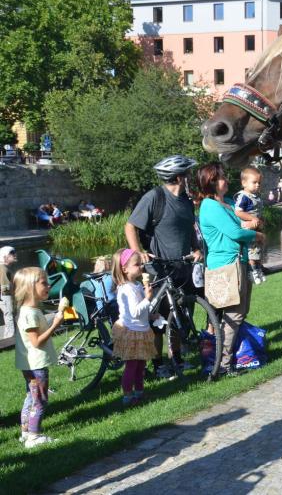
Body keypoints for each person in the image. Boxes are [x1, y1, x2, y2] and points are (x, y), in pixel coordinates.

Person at [125, 154, 202, 380]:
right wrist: (138, 252)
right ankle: (158, 364)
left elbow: (190, 230)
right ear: (179, 177)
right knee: (159, 319)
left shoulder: (186, 200)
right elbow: (130, 226)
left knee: (180, 315)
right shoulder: (155, 197)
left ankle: (176, 357)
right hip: (159, 267)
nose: (189, 177)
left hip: (183, 265)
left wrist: (196, 248)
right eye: (187, 174)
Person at [197, 162, 264, 377]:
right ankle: (222, 364)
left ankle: (227, 359)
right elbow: (234, 233)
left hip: (239, 262)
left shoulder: (226, 202)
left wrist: (249, 226)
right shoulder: (210, 206)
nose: (226, 179)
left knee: (240, 312)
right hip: (226, 266)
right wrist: (256, 235)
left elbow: (239, 226)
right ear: (212, 182)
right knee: (233, 314)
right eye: (222, 177)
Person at [13, 267, 68, 448]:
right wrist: (55, 324)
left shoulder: (30, 309)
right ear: (30, 287)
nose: (48, 285)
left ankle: (25, 432)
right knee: (40, 400)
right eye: (44, 282)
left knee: (31, 396)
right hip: (36, 365)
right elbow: (36, 342)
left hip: (29, 364)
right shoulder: (30, 314)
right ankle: (34, 436)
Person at [111, 249, 160, 406]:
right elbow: (134, 312)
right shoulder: (126, 289)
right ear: (125, 269)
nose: (141, 267)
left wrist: (151, 315)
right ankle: (127, 395)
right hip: (132, 331)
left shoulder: (137, 285)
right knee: (132, 365)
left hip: (141, 329)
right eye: (137, 264)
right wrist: (148, 298)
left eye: (141, 263)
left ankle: (139, 392)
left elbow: (142, 309)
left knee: (141, 364)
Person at [234, 167, 267, 284]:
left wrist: (261, 220)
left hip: (256, 225)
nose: (257, 185)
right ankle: (252, 271)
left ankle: (258, 269)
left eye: (259, 182)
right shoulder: (243, 196)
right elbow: (238, 212)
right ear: (244, 183)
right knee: (251, 250)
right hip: (248, 225)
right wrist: (253, 218)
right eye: (254, 182)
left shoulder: (255, 197)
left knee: (258, 248)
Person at [0, 246, 15, 337]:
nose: (14, 255)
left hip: (5, 295)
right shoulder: (3, 268)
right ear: (4, 256)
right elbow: (4, 287)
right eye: (12, 254)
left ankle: (8, 335)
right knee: (9, 315)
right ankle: (10, 337)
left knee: (8, 315)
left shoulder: (3, 267)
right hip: (5, 296)